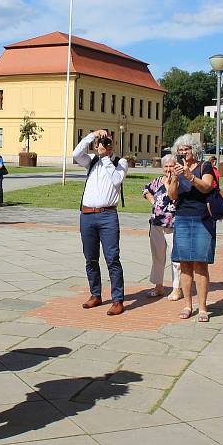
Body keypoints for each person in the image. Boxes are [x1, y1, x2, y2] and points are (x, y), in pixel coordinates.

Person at [73, 129, 128, 316]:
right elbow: (75, 154)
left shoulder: (120, 162)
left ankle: (117, 300)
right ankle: (95, 294)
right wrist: (91, 136)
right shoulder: (91, 161)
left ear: (113, 145)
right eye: (101, 142)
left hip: (107, 216)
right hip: (87, 215)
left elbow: (116, 180)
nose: (104, 145)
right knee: (90, 258)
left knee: (112, 258)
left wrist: (105, 157)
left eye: (108, 142)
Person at [166, 137, 216, 322]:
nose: (183, 153)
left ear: (194, 150)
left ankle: (203, 307)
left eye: (186, 149)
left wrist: (189, 176)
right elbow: (172, 195)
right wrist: (176, 178)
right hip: (183, 218)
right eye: (180, 150)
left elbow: (206, 187)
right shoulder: (176, 168)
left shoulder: (204, 167)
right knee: (185, 264)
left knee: (200, 264)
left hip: (202, 218)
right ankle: (187, 305)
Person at [142, 154, 181, 300]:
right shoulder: (157, 181)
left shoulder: (178, 181)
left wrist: (173, 181)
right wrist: (153, 202)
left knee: (176, 258)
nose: (169, 169)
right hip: (156, 223)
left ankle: (177, 288)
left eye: (171, 166)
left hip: (173, 224)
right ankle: (158, 286)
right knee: (157, 256)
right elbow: (145, 190)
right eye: (166, 166)